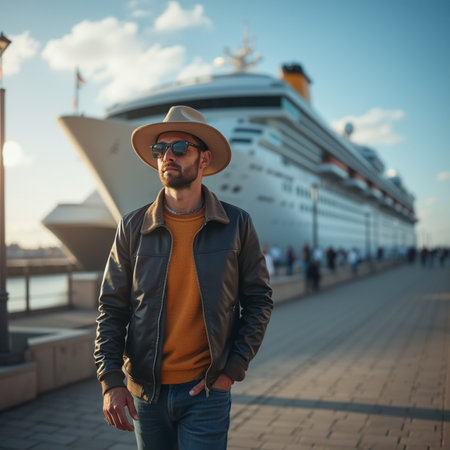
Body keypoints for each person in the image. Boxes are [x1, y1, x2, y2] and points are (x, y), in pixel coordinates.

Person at [94, 105, 273, 450]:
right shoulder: (132, 228)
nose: (167, 157)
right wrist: (111, 380)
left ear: (204, 159)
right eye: (160, 150)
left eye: (179, 148)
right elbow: (111, 307)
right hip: (146, 393)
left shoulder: (236, 225)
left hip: (206, 390)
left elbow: (259, 300)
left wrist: (232, 370)